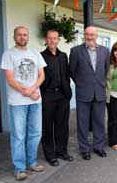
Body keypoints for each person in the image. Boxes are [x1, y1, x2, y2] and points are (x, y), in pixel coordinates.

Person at [0, 26, 46, 181]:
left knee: (36, 132)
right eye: (19, 35)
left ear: (28, 37)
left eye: (24, 34)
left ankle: (31, 162)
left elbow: (41, 75)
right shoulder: (8, 54)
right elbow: (10, 79)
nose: (22, 37)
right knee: (19, 135)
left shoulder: (35, 53)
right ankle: (19, 168)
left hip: (35, 100)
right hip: (17, 101)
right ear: (14, 37)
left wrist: (32, 90)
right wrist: (25, 91)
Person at [69, 26, 110, 161]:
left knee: (99, 121)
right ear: (84, 35)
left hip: (99, 91)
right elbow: (72, 71)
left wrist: (98, 82)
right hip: (83, 92)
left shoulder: (105, 51)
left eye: (92, 34)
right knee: (83, 122)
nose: (90, 37)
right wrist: (81, 83)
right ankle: (84, 149)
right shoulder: (75, 51)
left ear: (97, 36)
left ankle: (98, 147)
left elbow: (106, 69)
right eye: (87, 34)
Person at [40, 29, 73, 167]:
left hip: (62, 95)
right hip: (47, 95)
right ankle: (50, 155)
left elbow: (66, 74)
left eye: (55, 38)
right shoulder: (40, 56)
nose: (52, 40)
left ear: (58, 40)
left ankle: (61, 151)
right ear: (46, 40)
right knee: (47, 127)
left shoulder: (63, 56)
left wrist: (68, 93)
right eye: (50, 38)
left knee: (62, 125)